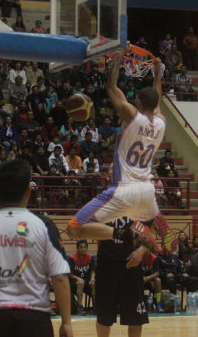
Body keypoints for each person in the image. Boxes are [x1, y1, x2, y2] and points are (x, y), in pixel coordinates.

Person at [67, 49, 172, 250]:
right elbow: (156, 97)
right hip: (147, 191)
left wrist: (118, 58)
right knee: (139, 217)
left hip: (124, 189)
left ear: (138, 102)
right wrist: (158, 72)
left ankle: (129, 234)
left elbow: (110, 85)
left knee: (75, 227)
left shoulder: (132, 115)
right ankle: (153, 222)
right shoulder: (161, 122)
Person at [0, 159, 73, 337]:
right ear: (29, 190)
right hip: (36, 322)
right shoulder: (44, 225)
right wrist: (66, 323)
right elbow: (59, 278)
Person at [69, 240, 96, 316]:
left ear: (87, 248)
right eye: (81, 247)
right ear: (77, 248)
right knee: (81, 282)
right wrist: (78, 278)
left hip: (87, 280)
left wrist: (92, 278)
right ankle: (80, 307)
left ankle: (95, 307)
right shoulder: (72, 258)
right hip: (75, 282)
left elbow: (93, 270)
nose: (83, 249)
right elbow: (69, 274)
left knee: (93, 283)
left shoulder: (90, 258)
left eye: (84, 247)